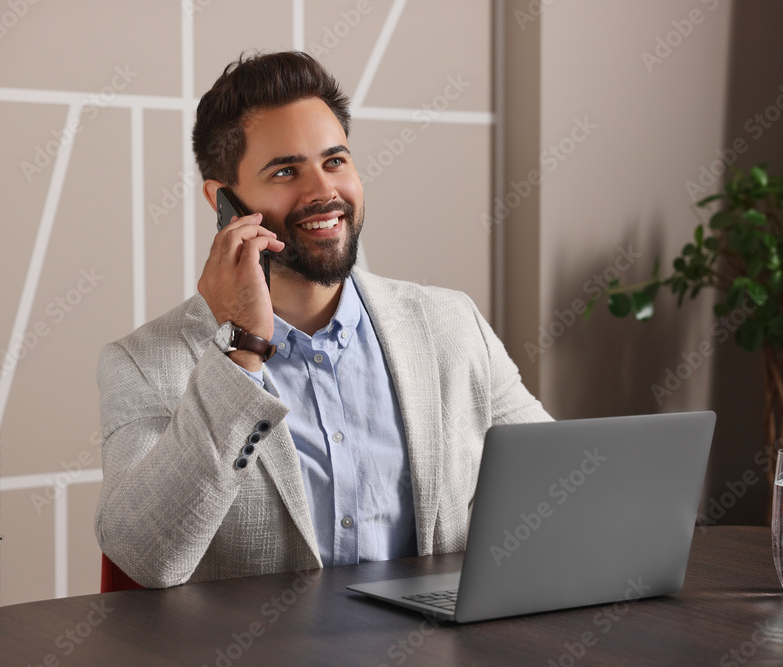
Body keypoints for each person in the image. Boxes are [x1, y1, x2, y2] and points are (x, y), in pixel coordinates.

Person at [94, 51, 551, 588]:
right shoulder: (144, 363)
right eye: (286, 170)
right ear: (225, 203)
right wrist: (240, 350)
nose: (322, 192)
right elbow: (143, 557)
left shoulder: (451, 324)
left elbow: (556, 482)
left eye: (335, 161)